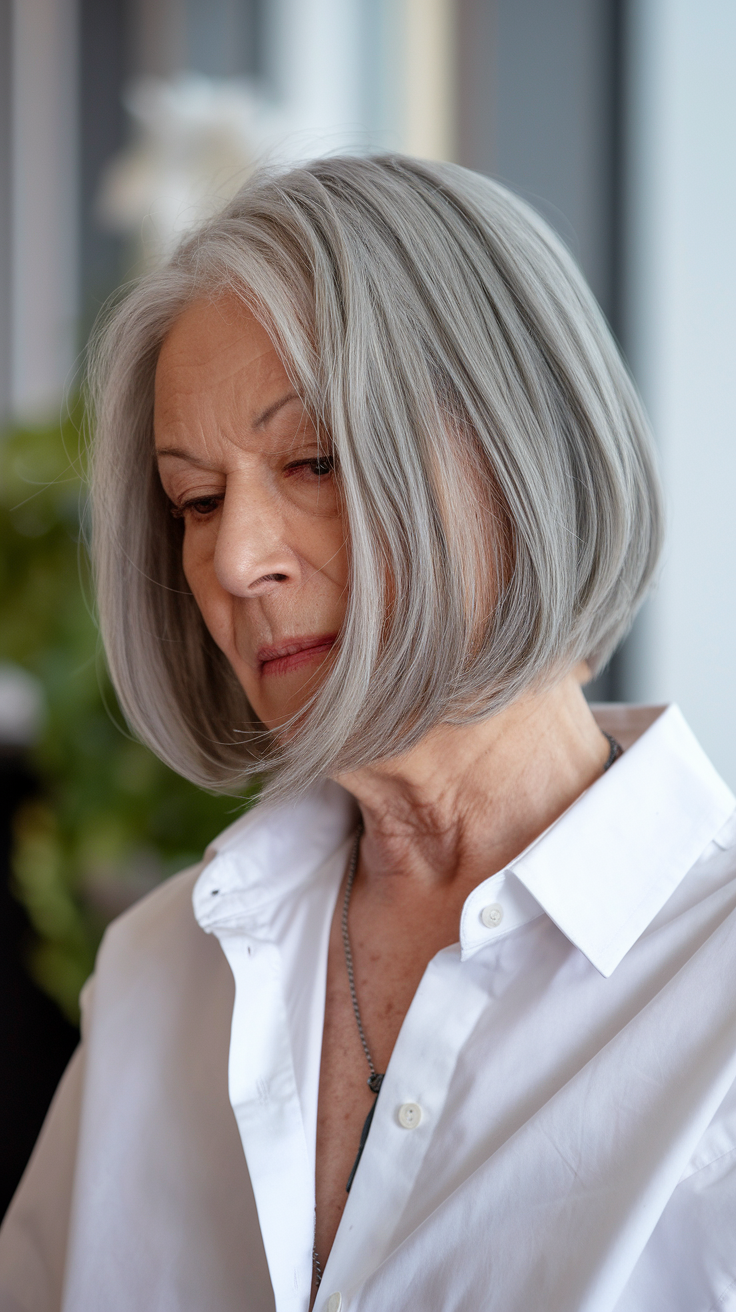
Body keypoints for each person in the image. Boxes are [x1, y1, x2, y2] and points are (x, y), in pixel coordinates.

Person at [1, 154, 735, 1312]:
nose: (237, 561)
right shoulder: (159, 972)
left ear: (519, 451)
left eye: (316, 461)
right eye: (196, 500)